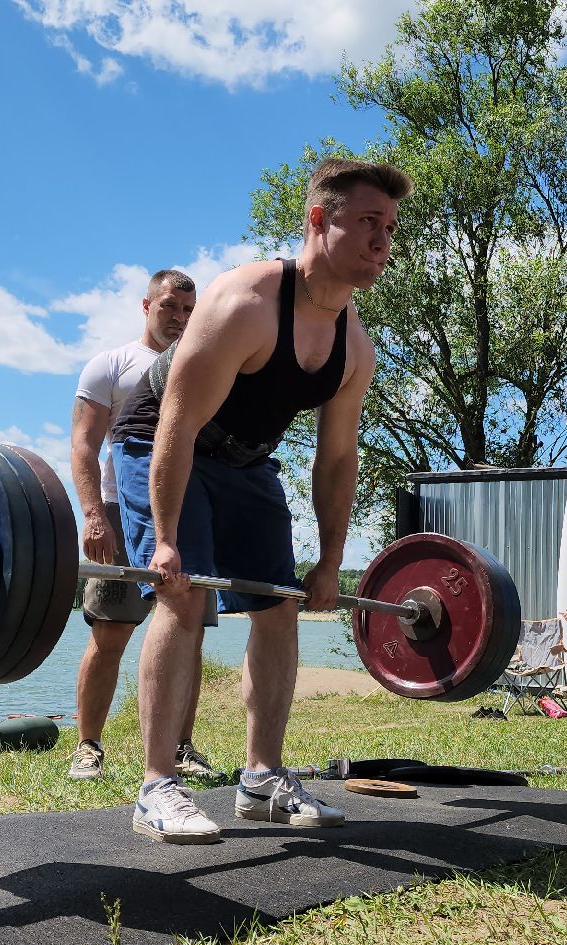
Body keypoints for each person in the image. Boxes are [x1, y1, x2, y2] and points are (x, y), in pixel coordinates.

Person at [108, 156, 409, 842]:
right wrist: (165, 540)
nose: (381, 242)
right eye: (367, 223)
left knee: (281, 606)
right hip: (159, 440)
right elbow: (175, 425)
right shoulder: (243, 303)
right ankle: (158, 785)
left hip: (244, 461)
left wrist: (330, 562)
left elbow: (337, 459)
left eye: (389, 228)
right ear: (317, 219)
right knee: (183, 595)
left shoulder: (352, 346)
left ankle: (262, 779)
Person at [67, 270, 219, 782]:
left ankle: (180, 746)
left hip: (188, 507)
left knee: (188, 626)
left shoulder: (207, 361)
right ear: (146, 305)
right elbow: (85, 446)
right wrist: (93, 515)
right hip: (118, 508)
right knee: (111, 631)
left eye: (188, 311)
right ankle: (88, 746)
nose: (179, 318)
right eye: (170, 307)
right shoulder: (111, 364)